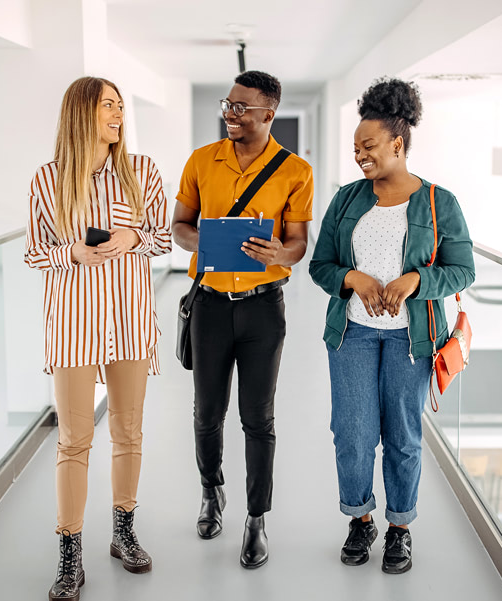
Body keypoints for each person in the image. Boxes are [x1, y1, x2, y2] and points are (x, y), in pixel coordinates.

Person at [309, 77, 475, 574]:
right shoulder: (346, 200)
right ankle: (360, 519)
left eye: (369, 146)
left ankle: (399, 528)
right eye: (356, 147)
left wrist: (413, 282)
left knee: (402, 436)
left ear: (397, 144)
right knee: (353, 433)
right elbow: (321, 267)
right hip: (352, 334)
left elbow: (462, 270)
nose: (360, 155)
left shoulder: (438, 202)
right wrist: (353, 277)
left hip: (412, 338)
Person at [25, 76, 171, 601]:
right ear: (81, 112)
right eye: (107, 105)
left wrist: (135, 236)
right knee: (74, 441)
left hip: (130, 322)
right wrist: (74, 254)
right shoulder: (49, 179)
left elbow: (163, 237)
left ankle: (124, 534)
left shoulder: (141, 172)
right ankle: (69, 555)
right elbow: (34, 250)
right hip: (74, 326)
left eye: (119, 106)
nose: (117, 113)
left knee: (128, 433)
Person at [172, 70, 313, 568]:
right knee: (206, 414)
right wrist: (205, 240)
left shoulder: (295, 170)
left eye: (241, 108)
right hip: (209, 305)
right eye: (227, 105)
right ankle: (212, 492)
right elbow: (179, 227)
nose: (230, 114)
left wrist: (281, 250)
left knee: (259, 418)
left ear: (267, 114)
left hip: (262, 307)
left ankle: (257, 519)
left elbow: (298, 243)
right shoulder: (200, 161)